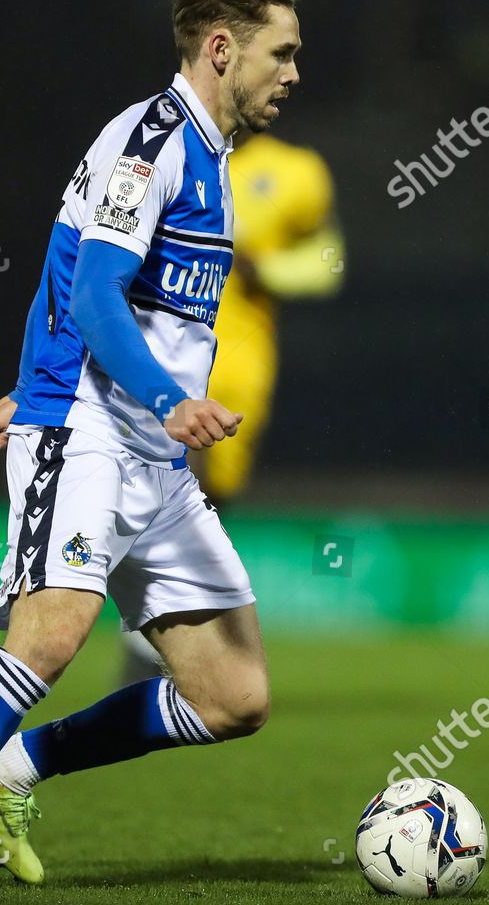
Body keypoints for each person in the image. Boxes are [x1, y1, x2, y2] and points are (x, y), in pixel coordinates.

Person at [0, 0, 303, 900]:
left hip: (153, 456)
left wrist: (30, 393)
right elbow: (91, 291)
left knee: (236, 698)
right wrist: (88, 404)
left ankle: (13, 769)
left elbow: (95, 291)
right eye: (282, 54)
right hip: (94, 436)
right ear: (223, 49)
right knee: (51, 639)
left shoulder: (211, 155)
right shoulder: (151, 141)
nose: (294, 73)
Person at [120, 129, 345, 682]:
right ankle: (149, 648)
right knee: (172, 488)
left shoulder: (298, 171)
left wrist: (264, 270)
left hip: (243, 369)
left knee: (212, 502)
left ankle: (163, 645)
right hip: (167, 362)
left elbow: (328, 258)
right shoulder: (168, 154)